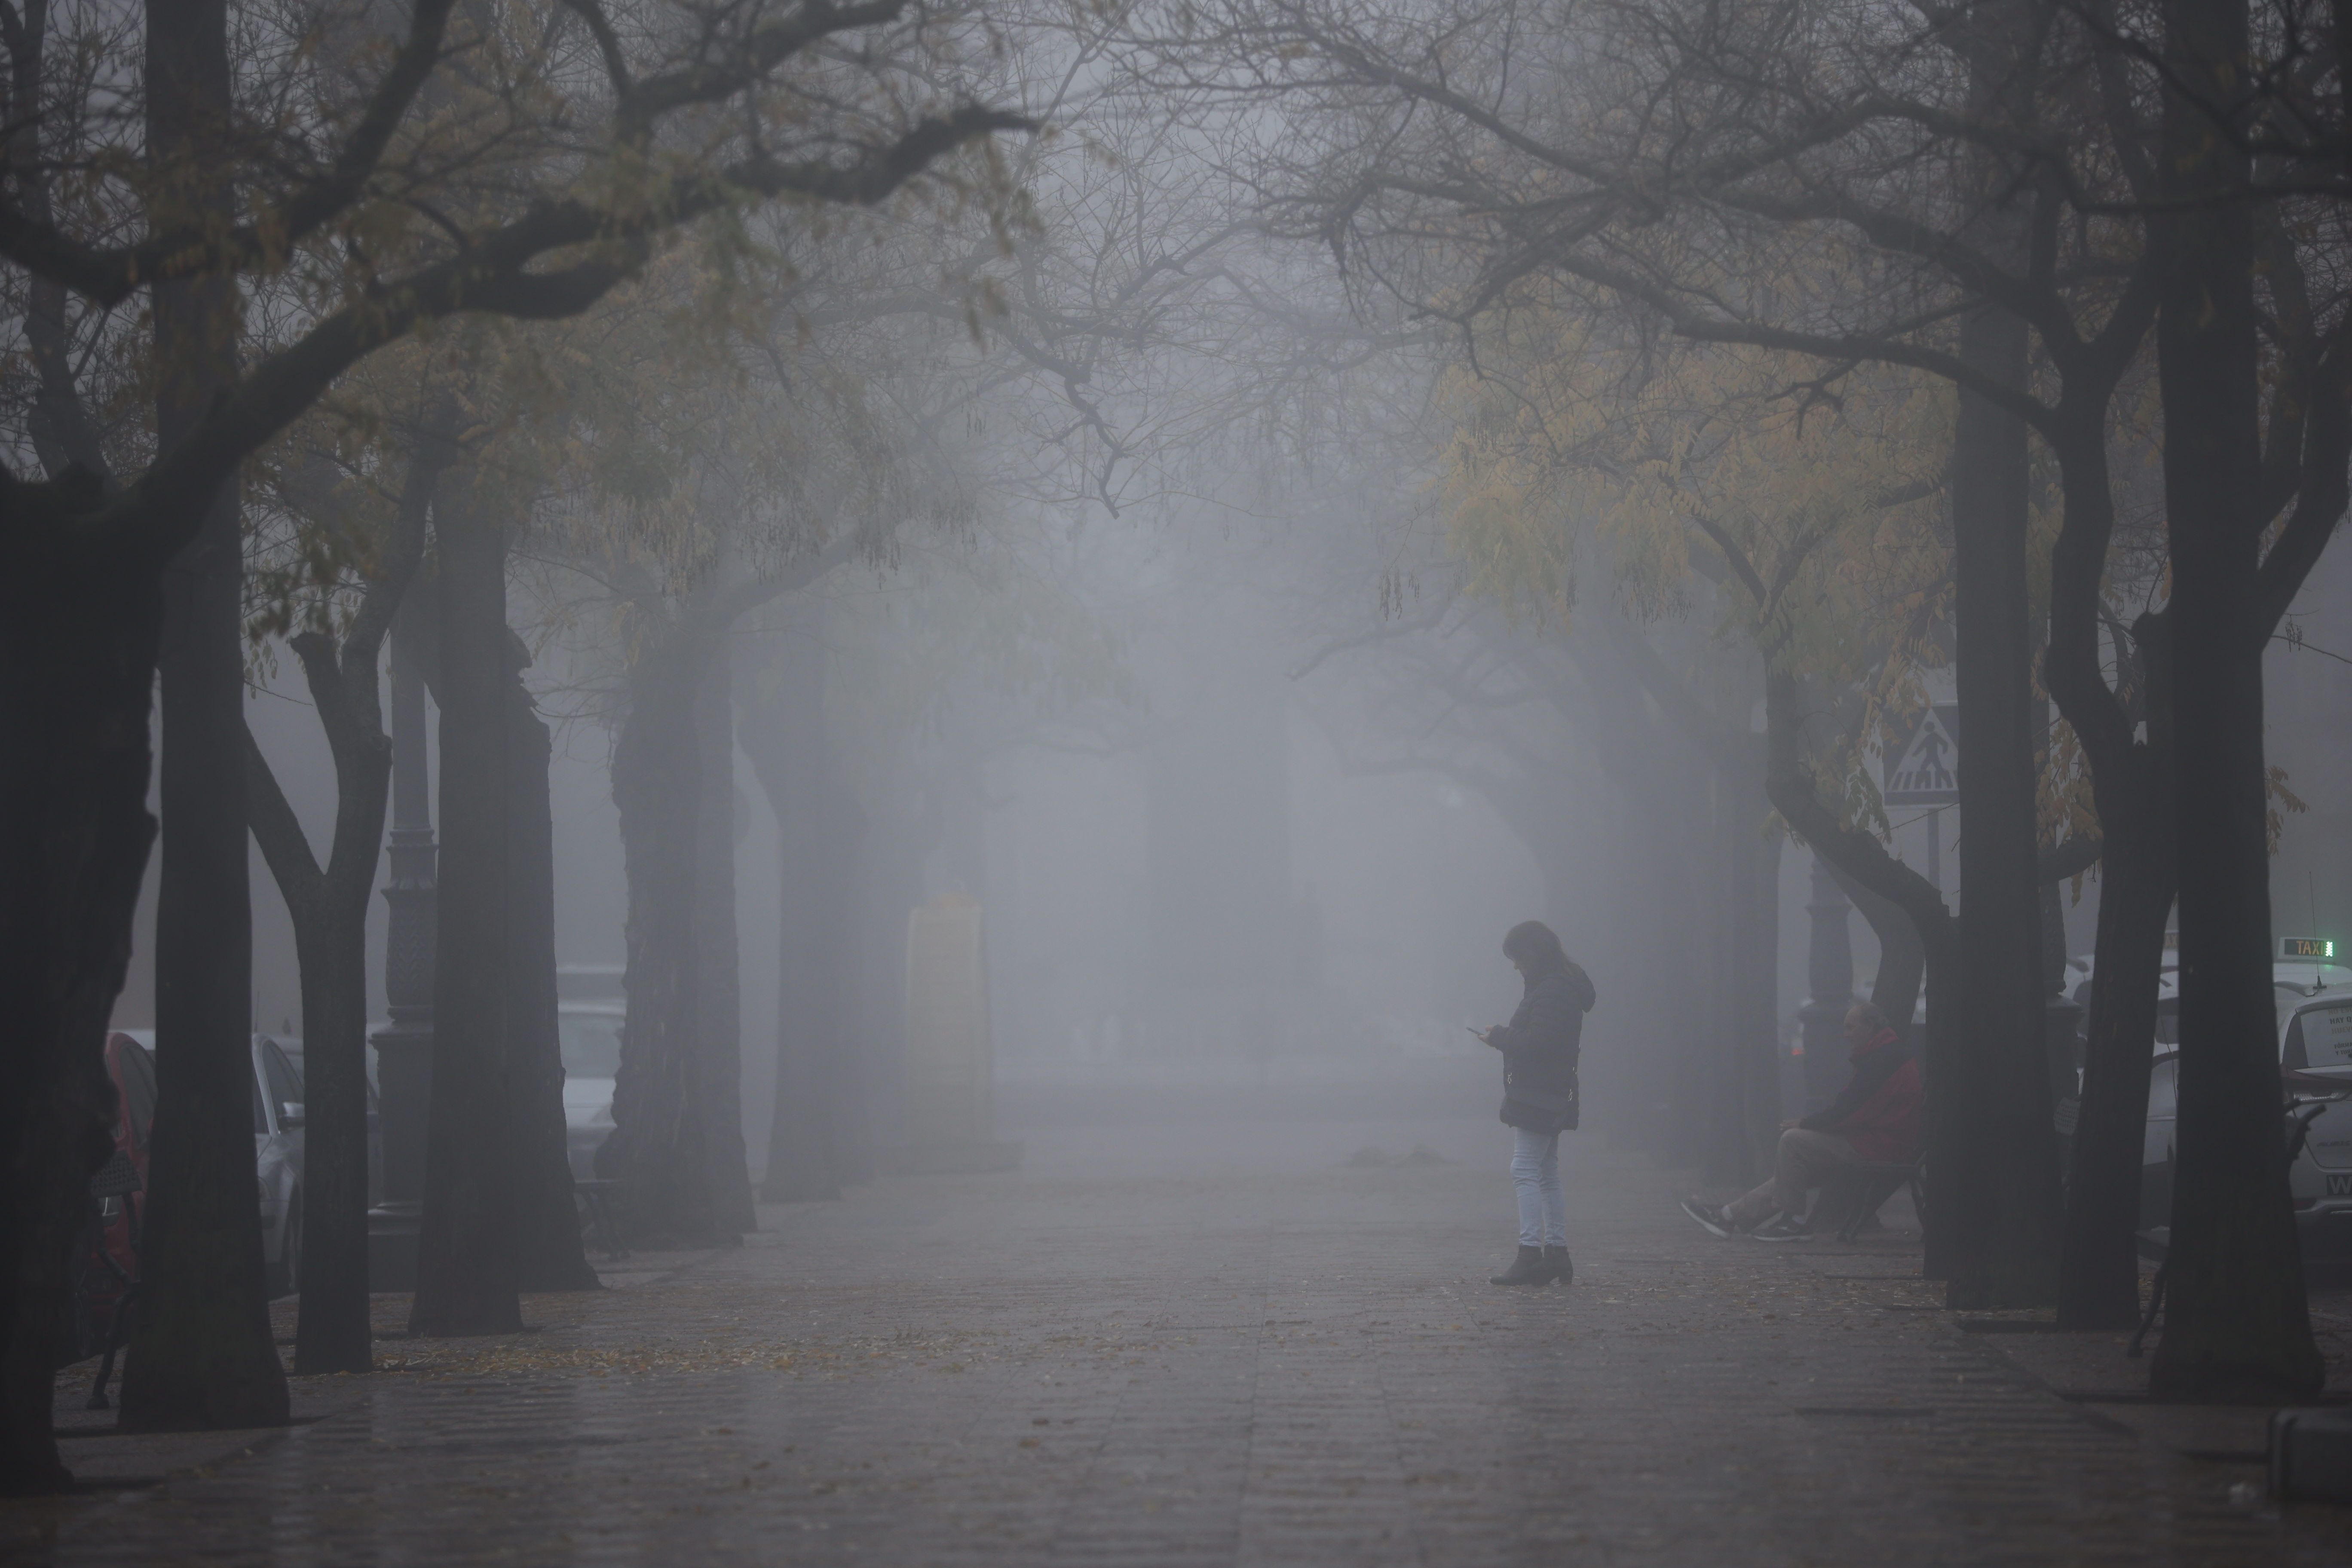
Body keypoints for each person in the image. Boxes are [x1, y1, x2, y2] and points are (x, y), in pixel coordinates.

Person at [1680, 1001, 1922, 1240]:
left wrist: (1806, 1124)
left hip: (1880, 1146)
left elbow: (1852, 1111)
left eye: (1851, 1028)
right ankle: (1728, 1216)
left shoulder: (1885, 1059)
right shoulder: (1887, 1055)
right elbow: (1856, 1109)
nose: (1845, 1035)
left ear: (1869, 1027)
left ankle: (1793, 1223)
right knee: (1791, 1176)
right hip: (1879, 1141)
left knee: (1794, 1141)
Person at [1474, 921, 1596, 1286]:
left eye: (1517, 958)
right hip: (1549, 1091)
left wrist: (1500, 1037)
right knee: (1545, 1172)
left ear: (1532, 955)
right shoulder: (1559, 986)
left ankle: (1530, 1254)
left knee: (1524, 1170)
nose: (1515, 966)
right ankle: (1556, 1255)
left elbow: (1540, 1043)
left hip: (1539, 1093)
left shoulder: (1552, 991)